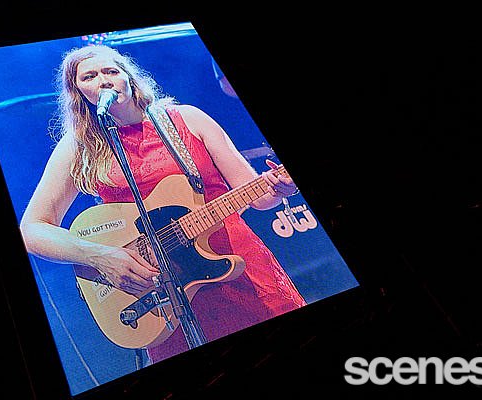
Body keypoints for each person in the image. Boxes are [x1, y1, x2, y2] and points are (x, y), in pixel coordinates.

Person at [19, 44, 306, 363]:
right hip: (161, 294)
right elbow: (31, 230)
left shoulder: (187, 119)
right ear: (78, 93)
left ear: (128, 77)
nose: (103, 80)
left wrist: (280, 187)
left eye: (111, 71)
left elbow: (261, 196)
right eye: (89, 76)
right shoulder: (78, 146)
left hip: (239, 268)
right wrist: (101, 256)